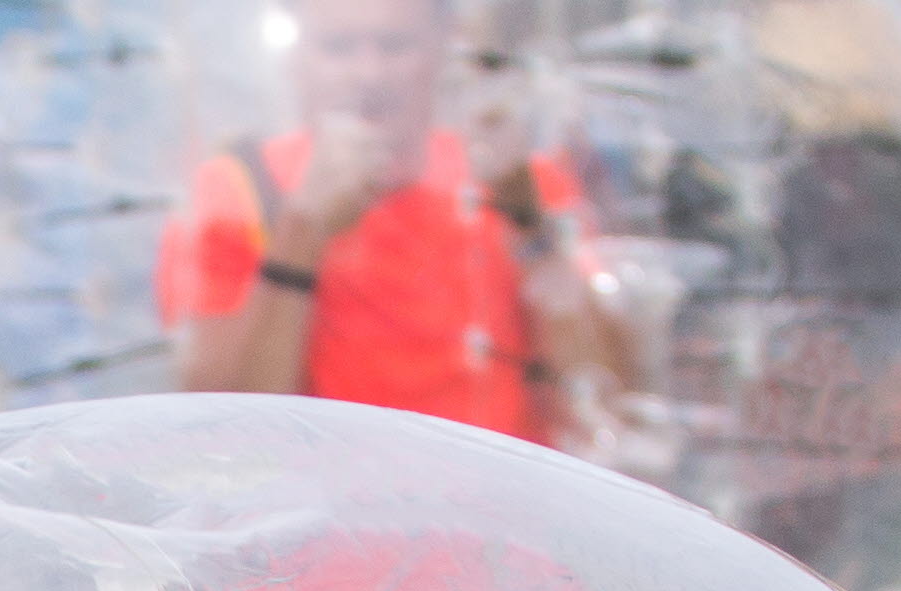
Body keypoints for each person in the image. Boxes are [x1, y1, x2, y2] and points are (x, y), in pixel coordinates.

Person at [159, 0, 621, 445]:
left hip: (499, 512)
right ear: (295, 59)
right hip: (333, 515)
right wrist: (302, 234)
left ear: (442, 48)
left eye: (394, 46)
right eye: (338, 48)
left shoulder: (518, 181)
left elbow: (606, 401)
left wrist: (532, 230)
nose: (369, 74)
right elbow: (221, 433)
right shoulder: (237, 190)